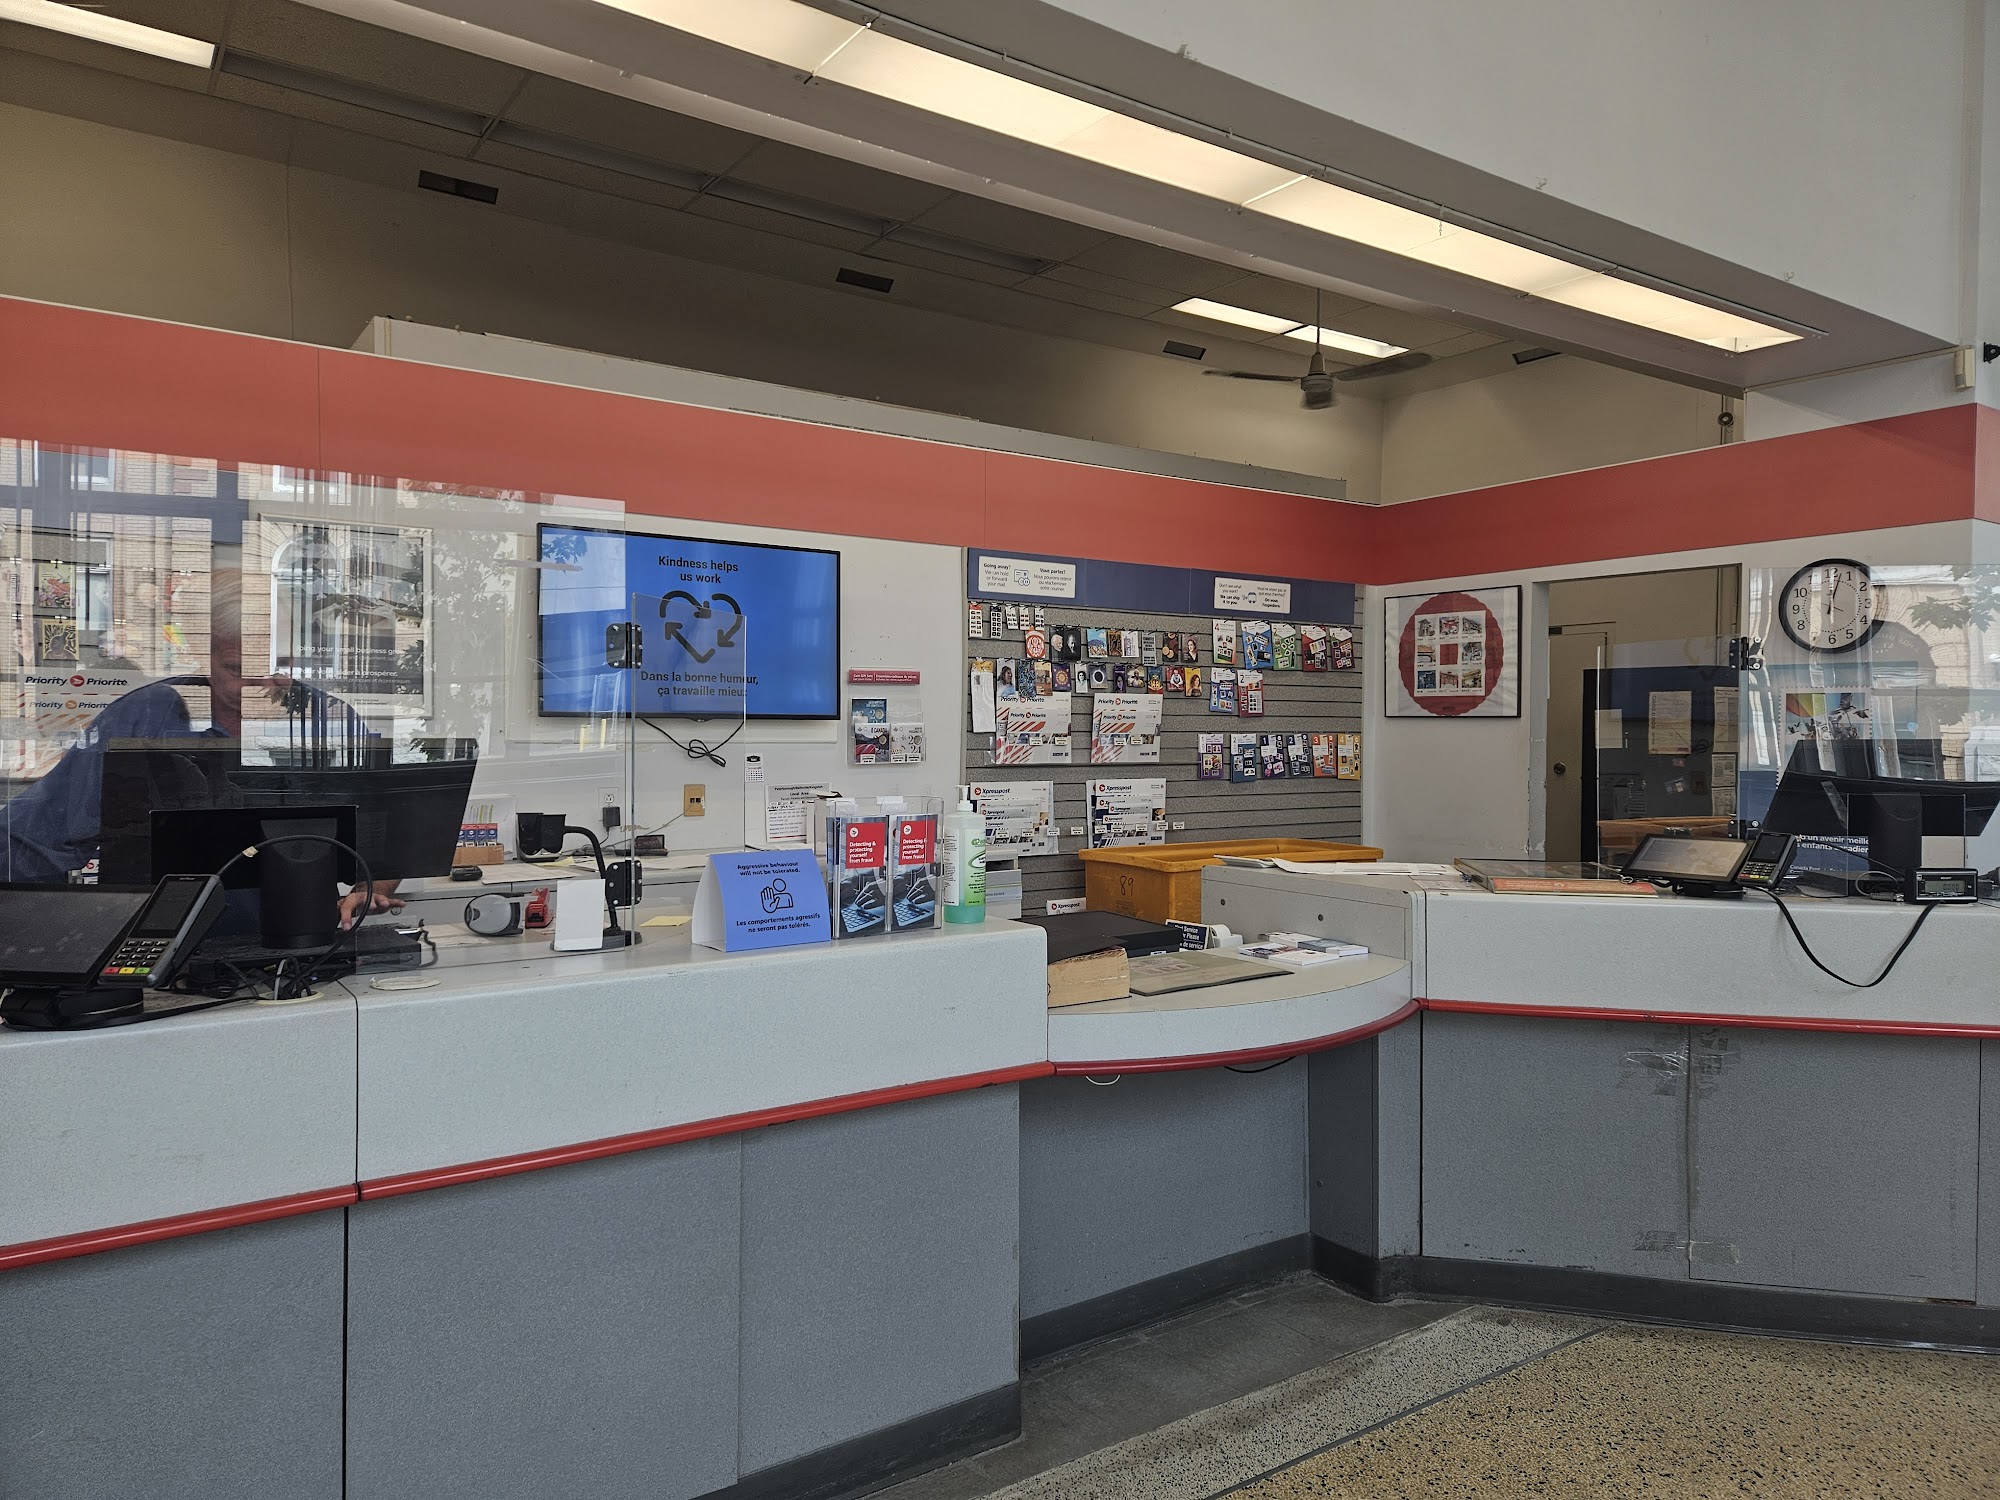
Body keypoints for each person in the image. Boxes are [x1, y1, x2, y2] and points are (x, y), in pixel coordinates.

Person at [0, 571, 403, 929]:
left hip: (301, 943)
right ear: (201, 652)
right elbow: (34, 837)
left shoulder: (330, 720)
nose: (261, 683)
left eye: (278, 665)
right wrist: (49, 938)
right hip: (159, 947)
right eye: (237, 668)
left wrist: (371, 888)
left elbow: (388, 833)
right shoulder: (148, 715)